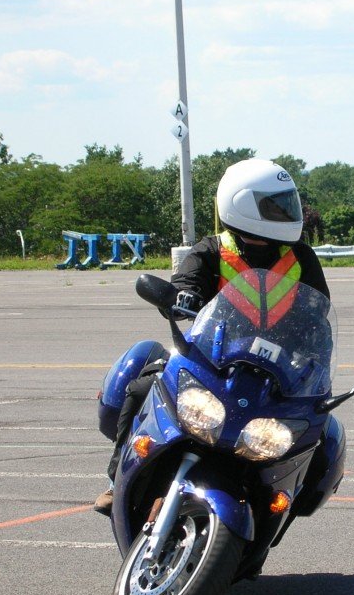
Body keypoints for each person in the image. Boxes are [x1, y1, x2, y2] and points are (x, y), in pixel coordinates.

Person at [94, 158, 330, 514]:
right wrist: (181, 297)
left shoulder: (300, 257)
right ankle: (117, 478)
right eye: (275, 206)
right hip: (215, 360)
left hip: (276, 370)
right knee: (145, 382)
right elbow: (183, 286)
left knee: (319, 428)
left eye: (286, 204)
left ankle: (276, 503)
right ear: (241, 204)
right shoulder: (211, 250)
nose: (286, 213)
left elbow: (318, 311)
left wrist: (315, 346)